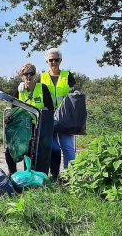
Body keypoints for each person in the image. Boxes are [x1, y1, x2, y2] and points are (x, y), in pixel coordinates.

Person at [6, 63, 54, 175]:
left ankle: (28, 175)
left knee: (30, 150)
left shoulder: (42, 88)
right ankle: (12, 174)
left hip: (38, 126)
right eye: (25, 74)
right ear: (21, 76)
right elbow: (13, 110)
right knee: (9, 151)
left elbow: (50, 108)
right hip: (22, 127)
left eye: (31, 73)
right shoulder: (19, 90)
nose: (29, 76)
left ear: (35, 74)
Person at [39, 48, 77, 180]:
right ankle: (53, 175)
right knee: (53, 149)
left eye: (56, 59)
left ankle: (70, 177)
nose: (54, 62)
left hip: (65, 118)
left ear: (61, 60)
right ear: (46, 61)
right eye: (51, 60)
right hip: (49, 117)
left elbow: (75, 93)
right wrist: (21, 84)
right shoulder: (41, 77)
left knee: (68, 148)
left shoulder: (67, 75)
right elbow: (32, 87)